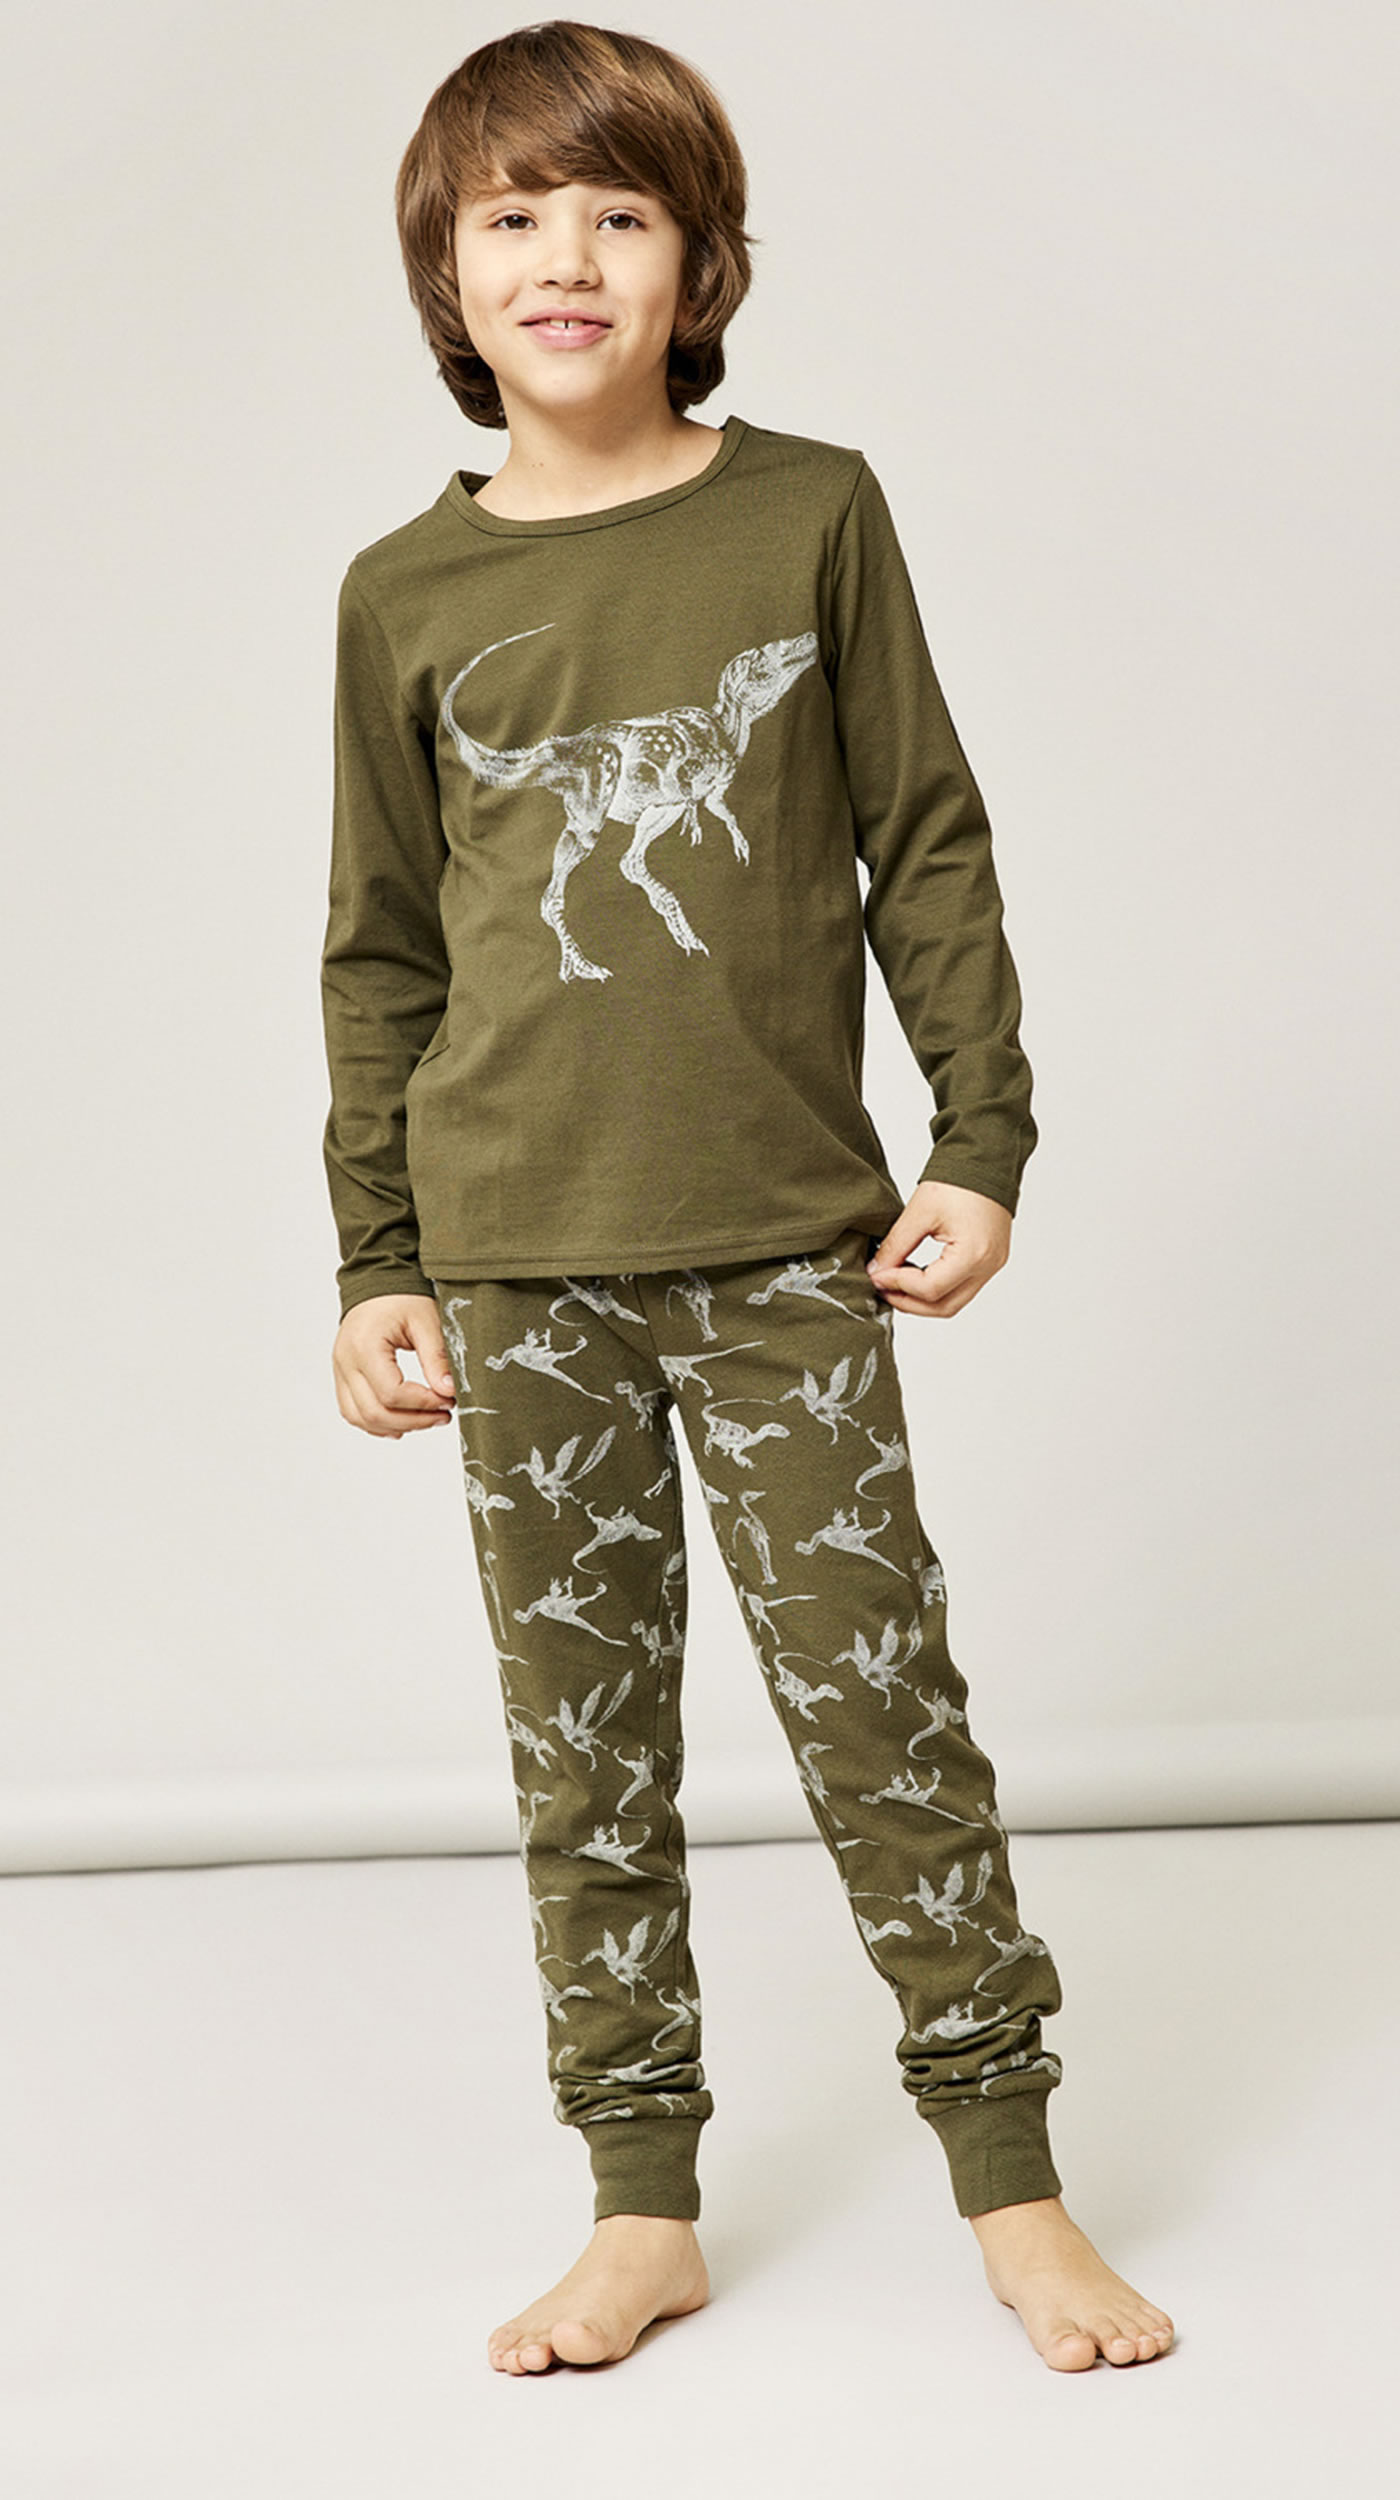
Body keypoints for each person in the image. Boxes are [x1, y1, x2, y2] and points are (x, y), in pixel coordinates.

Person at [319, 17, 1175, 2379]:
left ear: (697, 263)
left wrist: (980, 1138)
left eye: (620, 211)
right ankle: (640, 2203)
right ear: (447, 270)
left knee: (881, 1714)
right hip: (516, 1257)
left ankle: (1013, 2184)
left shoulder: (810, 511)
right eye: (513, 215)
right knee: (583, 1757)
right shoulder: (402, 592)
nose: (565, 256)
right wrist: (379, 1252)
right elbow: (380, 946)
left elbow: (927, 838)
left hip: (789, 1241)